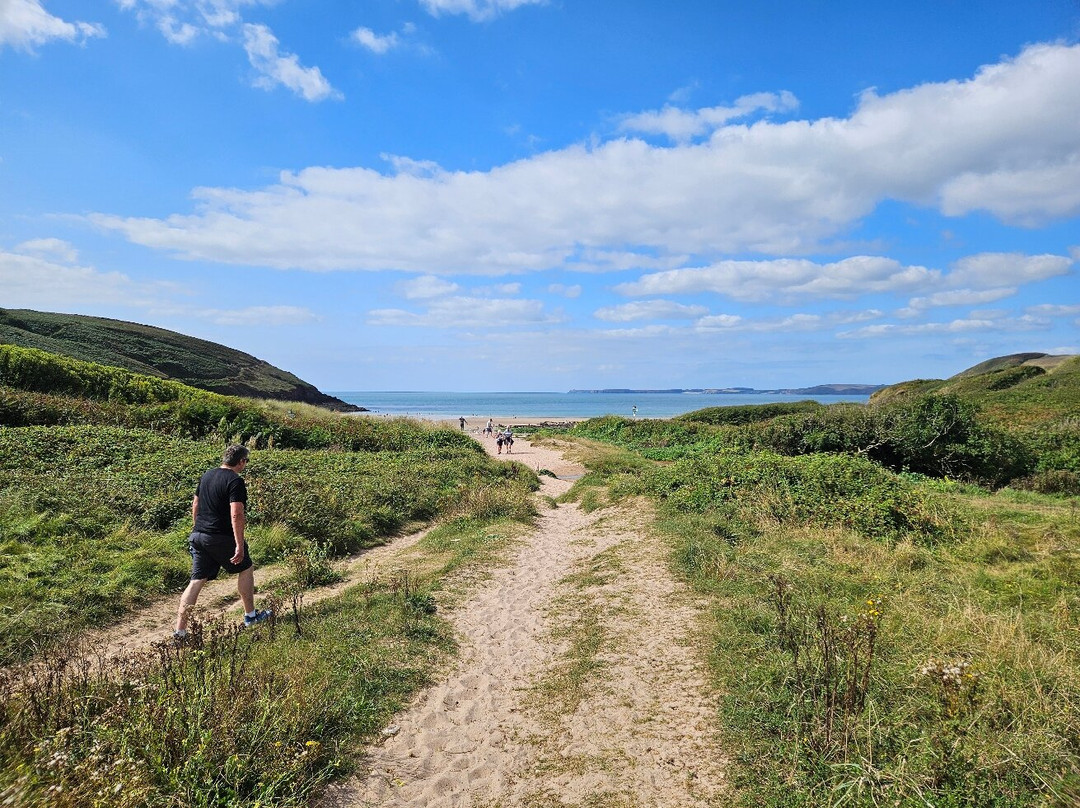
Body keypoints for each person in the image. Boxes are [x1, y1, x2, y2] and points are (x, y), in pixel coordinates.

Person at [174, 445, 271, 640]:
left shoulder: (207, 475)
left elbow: (195, 504)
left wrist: (197, 528)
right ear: (241, 461)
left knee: (196, 581)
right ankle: (251, 616)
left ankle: (180, 632)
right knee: (246, 568)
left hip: (199, 535)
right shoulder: (235, 481)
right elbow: (236, 514)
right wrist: (239, 544)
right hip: (220, 536)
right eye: (246, 461)